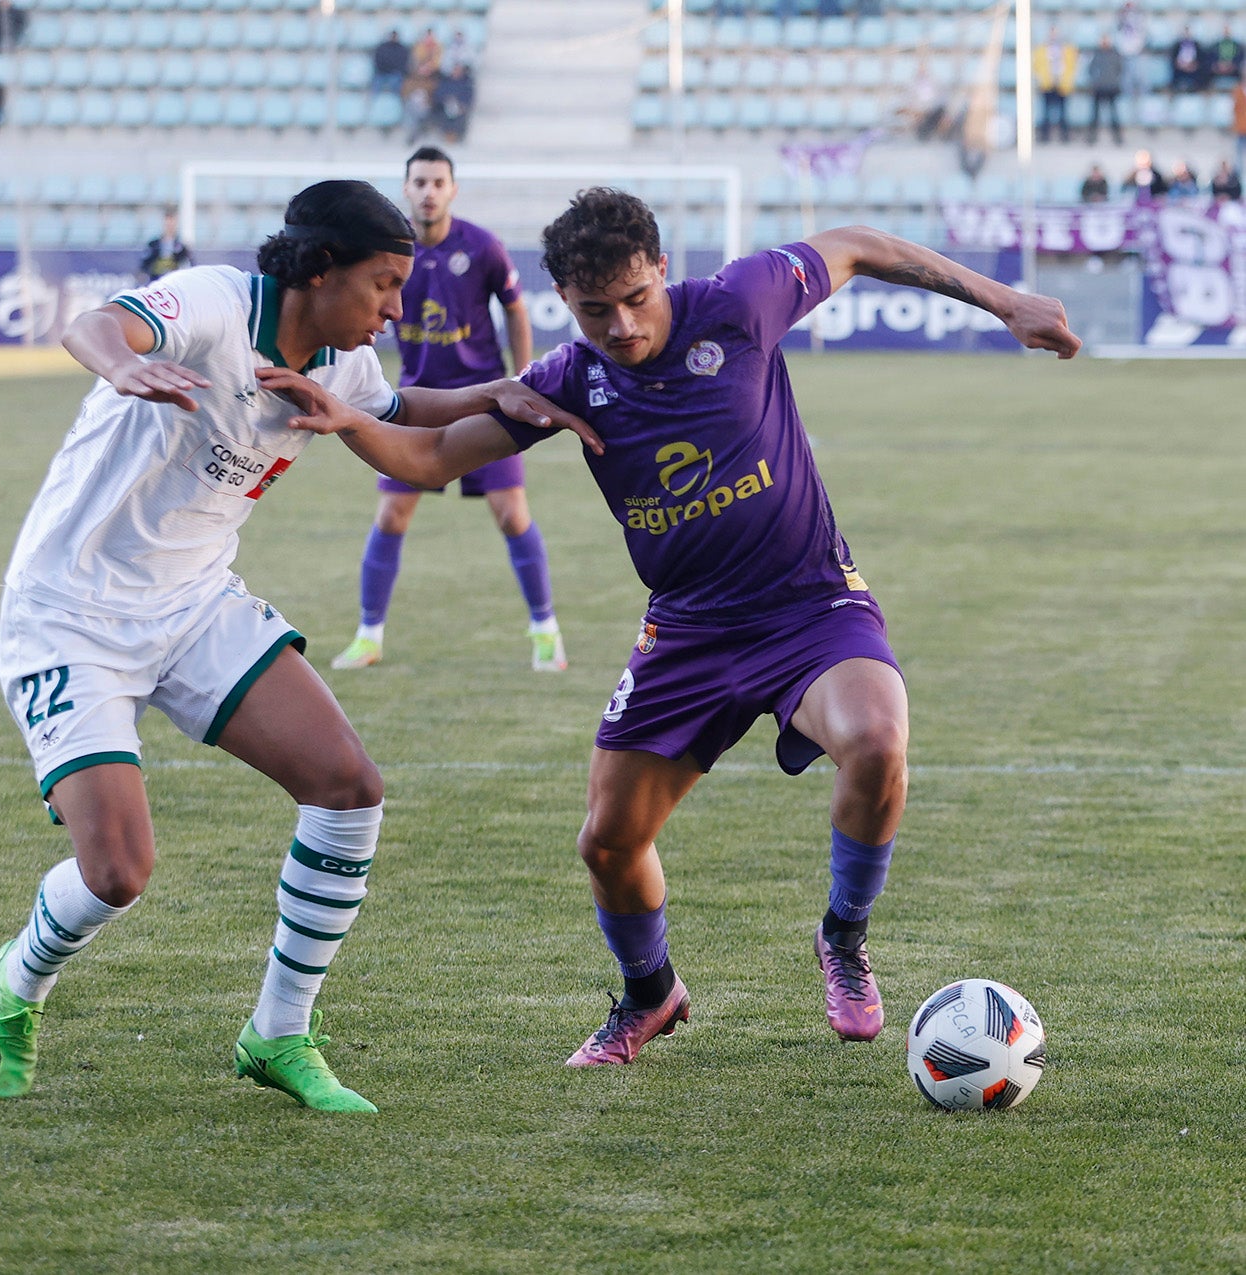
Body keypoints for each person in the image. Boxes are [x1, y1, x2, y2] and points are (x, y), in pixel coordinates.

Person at [286, 188, 1082, 1064]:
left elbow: (858, 243)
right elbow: (433, 456)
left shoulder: (739, 304)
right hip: (688, 631)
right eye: (595, 311)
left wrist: (1006, 300)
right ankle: (650, 993)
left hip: (809, 604)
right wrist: (349, 421)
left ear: (663, 269)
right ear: (565, 302)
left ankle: (844, 938)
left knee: (879, 739)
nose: (621, 325)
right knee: (609, 840)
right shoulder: (571, 378)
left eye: (636, 298)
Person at [0, 179, 589, 1111]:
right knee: (117, 871)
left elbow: (409, 410)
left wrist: (508, 394)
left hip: (193, 608)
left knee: (349, 788)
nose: (395, 306)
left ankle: (278, 1031)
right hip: (70, 613)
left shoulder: (342, 363)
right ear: (318, 268)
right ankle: (19, 983)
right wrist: (123, 364)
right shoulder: (216, 304)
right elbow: (99, 325)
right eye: (383, 285)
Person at [332, 148, 566, 673]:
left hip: (483, 399)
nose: (429, 191)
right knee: (392, 515)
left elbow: (514, 309)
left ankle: (546, 630)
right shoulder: (390, 254)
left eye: (439, 182)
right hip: (416, 400)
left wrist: (524, 379)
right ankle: (368, 636)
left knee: (511, 514)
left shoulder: (481, 247)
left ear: (453, 190)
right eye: (420, 182)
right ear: (406, 189)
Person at [1033, 26, 1077, 143]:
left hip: (1062, 84)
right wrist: (1042, 78)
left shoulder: (1067, 49)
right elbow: (1036, 66)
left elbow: (1072, 65)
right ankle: (1044, 137)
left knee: (1063, 113)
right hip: (1047, 84)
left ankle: (1064, 137)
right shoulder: (1042, 50)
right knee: (1046, 113)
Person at [1086, 35, 1124, 146]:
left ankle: (1117, 137)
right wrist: (1096, 81)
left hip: (1111, 88)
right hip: (1099, 88)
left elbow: (1120, 69)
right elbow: (1091, 69)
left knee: (1114, 115)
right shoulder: (1096, 53)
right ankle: (1092, 137)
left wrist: (1114, 80)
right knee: (1095, 114)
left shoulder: (1114, 54)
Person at [140, 207, 194, 283]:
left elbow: (188, 265)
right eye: (167, 223)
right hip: (155, 282)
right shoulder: (153, 245)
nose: (169, 226)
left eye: (172, 223)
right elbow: (144, 264)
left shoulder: (182, 247)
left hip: (174, 283)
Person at [1115, 1, 1148, 105]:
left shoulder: (1140, 18)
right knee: (1126, 79)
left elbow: (1143, 32)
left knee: (1141, 77)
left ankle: (1144, 101)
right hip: (1124, 52)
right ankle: (1126, 102)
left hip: (1138, 51)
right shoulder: (1120, 19)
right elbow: (1117, 31)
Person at [370, 29, 409, 99]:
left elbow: (403, 63)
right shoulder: (382, 47)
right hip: (382, 72)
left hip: (394, 73)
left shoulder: (402, 49)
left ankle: (398, 103)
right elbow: (377, 60)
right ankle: (372, 103)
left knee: (397, 86)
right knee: (375, 87)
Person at [1169, 26, 1204, 93]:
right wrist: (1181, 65)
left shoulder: (1197, 45)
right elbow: (1173, 59)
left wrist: (1193, 65)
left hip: (1193, 68)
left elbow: (1200, 58)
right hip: (1180, 68)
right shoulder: (1177, 46)